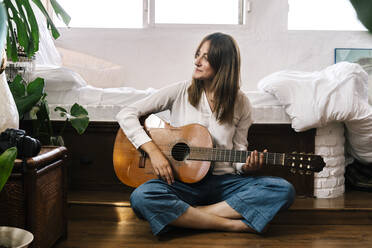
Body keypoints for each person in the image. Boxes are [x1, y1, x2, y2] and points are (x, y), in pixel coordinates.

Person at [116, 32, 295, 236]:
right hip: (181, 184)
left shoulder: (241, 102)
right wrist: (153, 151)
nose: (197, 61)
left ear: (224, 64)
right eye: (197, 54)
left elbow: (239, 150)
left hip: (225, 184)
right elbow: (127, 113)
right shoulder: (180, 91)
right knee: (141, 197)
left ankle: (192, 216)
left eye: (206, 57)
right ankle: (231, 224)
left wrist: (246, 165)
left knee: (282, 189)